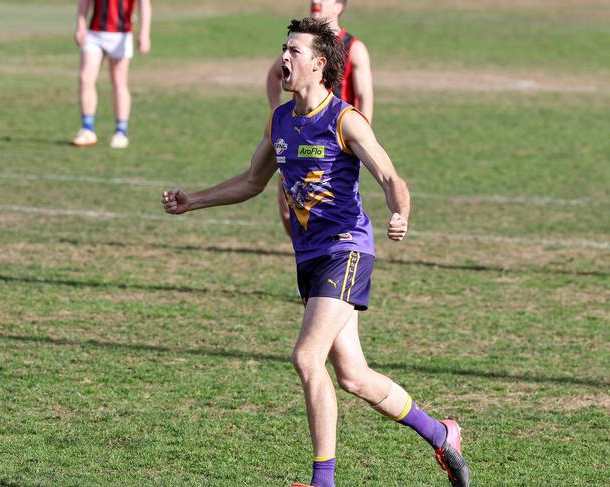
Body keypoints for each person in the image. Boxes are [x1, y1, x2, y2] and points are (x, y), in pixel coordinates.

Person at [162, 18, 470, 487]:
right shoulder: (280, 119)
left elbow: (390, 176)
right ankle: (442, 434)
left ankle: (323, 482)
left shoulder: (345, 119)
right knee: (353, 376)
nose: (284, 58)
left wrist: (399, 212)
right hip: (309, 257)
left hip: (345, 250)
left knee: (307, 358)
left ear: (319, 64)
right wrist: (194, 201)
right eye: (283, 48)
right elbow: (251, 181)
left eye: (294, 51)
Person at [267, 0, 373, 237]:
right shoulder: (299, 46)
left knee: (331, 204)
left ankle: (340, 243)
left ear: (339, 7)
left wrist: (362, 139)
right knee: (288, 206)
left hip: (334, 138)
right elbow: (273, 75)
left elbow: (365, 96)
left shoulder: (353, 47)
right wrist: (276, 115)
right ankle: (304, 250)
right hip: (298, 132)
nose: (316, 0)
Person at [72, 0, 152, 149]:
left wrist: (145, 33)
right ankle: (87, 129)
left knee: (119, 83)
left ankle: (121, 132)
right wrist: (81, 26)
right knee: (85, 78)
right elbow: (84, 2)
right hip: (95, 33)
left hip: (121, 35)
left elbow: (144, 4)